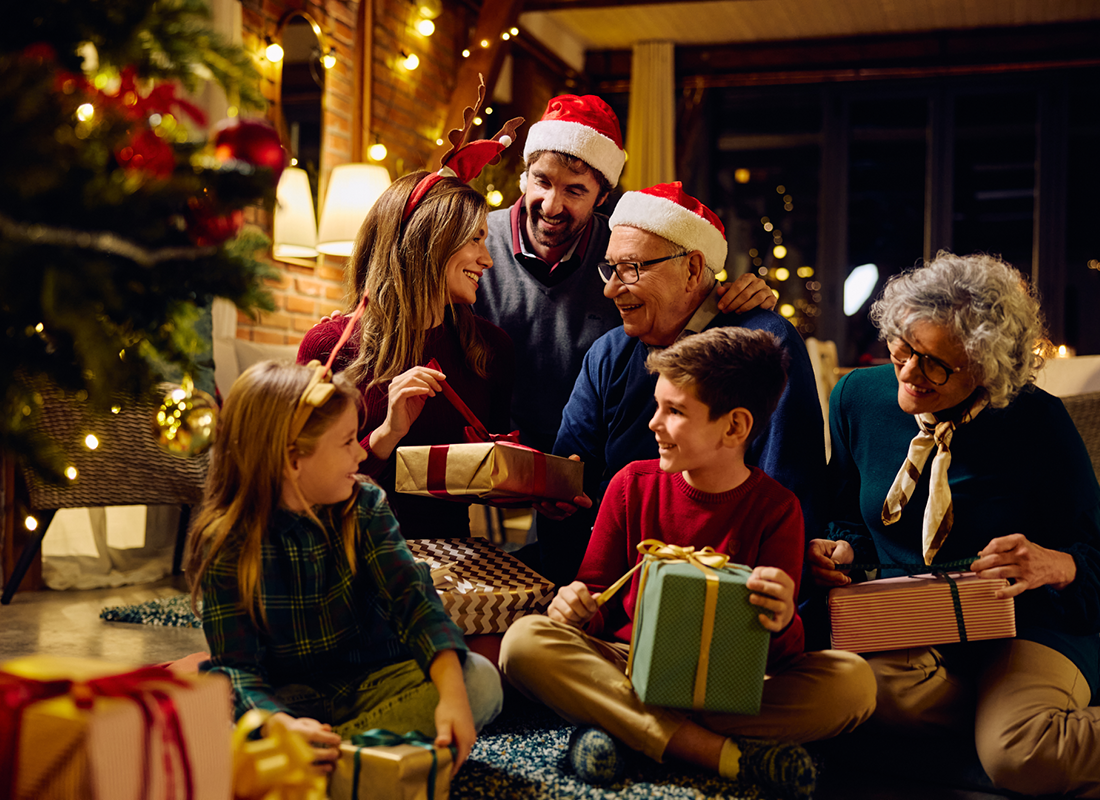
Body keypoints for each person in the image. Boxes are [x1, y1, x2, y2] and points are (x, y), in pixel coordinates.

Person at [500, 327, 875, 800]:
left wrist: (780, 619)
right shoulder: (630, 485)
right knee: (524, 642)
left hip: (727, 682)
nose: (654, 423)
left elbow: (781, 657)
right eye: (657, 405)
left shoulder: (778, 509)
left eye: (674, 411)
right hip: (629, 664)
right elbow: (597, 605)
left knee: (854, 684)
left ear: (735, 427)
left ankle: (623, 727)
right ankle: (722, 754)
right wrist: (576, 607)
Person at [805, 252, 1100, 797]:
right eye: (904, 348)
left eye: (937, 364)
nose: (911, 373)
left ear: (986, 369)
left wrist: (1055, 563)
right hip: (911, 621)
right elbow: (846, 515)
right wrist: (844, 550)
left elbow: (1093, 547)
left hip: (1026, 619)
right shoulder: (857, 399)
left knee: (1021, 755)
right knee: (849, 693)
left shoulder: (1037, 420)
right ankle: (1001, 716)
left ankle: (1010, 730)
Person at [186, 361, 503, 775]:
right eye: (347, 441)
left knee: (480, 683)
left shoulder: (365, 504)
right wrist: (279, 724)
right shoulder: (226, 540)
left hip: (374, 681)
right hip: (286, 697)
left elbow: (415, 603)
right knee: (213, 703)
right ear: (291, 460)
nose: (360, 452)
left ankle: (312, 759)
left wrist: (452, 696)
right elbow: (239, 668)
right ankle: (350, 755)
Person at [540, 182, 826, 585]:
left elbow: (789, 494)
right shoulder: (608, 353)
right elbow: (569, 479)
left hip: (725, 584)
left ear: (692, 268)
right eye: (610, 268)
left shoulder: (763, 344)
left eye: (631, 269)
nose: (610, 288)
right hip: (610, 583)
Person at [477, 93, 776, 454]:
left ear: (602, 197)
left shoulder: (623, 248)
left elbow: (690, 295)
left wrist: (747, 296)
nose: (552, 204)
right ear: (525, 177)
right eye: (542, 182)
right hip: (493, 454)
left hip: (593, 455)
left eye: (575, 190)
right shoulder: (475, 243)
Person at [297, 170, 514, 539]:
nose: (487, 260)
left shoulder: (491, 349)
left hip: (453, 562)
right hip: (347, 551)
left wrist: (544, 487)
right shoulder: (330, 345)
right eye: (475, 239)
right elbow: (305, 481)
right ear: (431, 240)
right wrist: (387, 434)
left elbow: (486, 481)